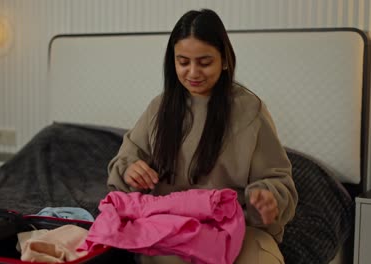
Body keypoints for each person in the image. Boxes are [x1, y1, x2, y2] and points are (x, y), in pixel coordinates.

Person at [107, 8, 298, 264]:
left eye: (205, 62)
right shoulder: (159, 108)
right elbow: (125, 162)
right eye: (183, 62)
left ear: (225, 60)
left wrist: (267, 196)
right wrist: (131, 170)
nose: (193, 73)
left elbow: (278, 179)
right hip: (170, 228)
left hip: (235, 227)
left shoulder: (250, 111)